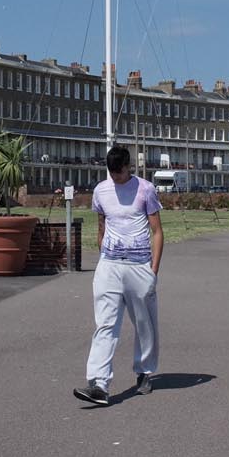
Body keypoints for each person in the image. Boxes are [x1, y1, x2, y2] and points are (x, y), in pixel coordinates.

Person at [74, 145, 162, 406]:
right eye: (111, 173)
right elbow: (101, 226)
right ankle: (99, 384)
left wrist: (153, 271)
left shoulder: (145, 189)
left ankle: (144, 372)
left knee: (144, 324)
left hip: (139, 266)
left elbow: (157, 231)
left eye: (120, 172)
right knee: (105, 323)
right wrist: (103, 258)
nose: (116, 177)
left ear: (128, 166)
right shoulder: (101, 190)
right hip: (109, 265)